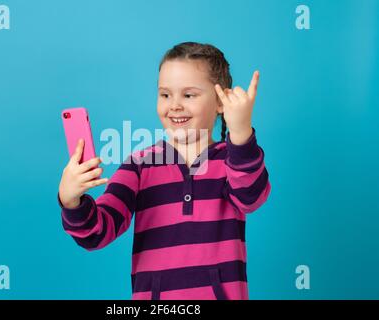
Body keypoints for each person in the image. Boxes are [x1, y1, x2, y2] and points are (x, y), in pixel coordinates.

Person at [57, 42, 271, 300]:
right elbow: (98, 233)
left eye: (188, 95)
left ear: (220, 102)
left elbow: (250, 197)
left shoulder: (233, 160)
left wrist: (241, 133)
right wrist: (71, 201)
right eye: (165, 94)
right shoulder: (139, 165)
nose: (175, 105)